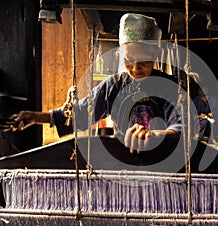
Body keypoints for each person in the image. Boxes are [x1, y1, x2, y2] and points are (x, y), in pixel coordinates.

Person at [8, 13, 194, 155]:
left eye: (144, 60)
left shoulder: (169, 86)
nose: (136, 67)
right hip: (124, 160)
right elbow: (81, 114)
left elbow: (183, 126)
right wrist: (35, 117)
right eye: (130, 59)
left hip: (162, 161)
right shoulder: (114, 85)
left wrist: (156, 136)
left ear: (154, 55)